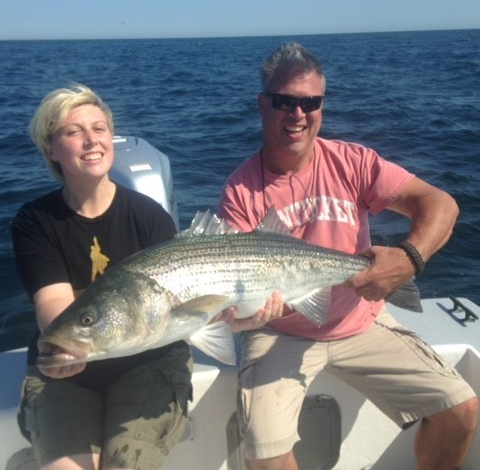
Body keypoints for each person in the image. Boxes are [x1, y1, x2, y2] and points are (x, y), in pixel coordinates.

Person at [217, 43, 478, 470]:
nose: (297, 114)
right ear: (263, 105)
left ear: (321, 107)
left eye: (310, 102)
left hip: (361, 318)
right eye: (285, 101)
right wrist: (245, 317)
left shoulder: (352, 162)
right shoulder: (240, 190)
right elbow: (238, 294)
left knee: (461, 409)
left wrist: (409, 258)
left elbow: (441, 204)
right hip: (281, 329)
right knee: (263, 452)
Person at [12, 84, 192, 470]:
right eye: (73, 131)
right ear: (51, 149)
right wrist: (70, 347)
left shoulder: (150, 217)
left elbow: (185, 301)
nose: (91, 140)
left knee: (128, 463)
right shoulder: (36, 220)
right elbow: (52, 304)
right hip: (65, 369)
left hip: (150, 359)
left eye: (99, 128)